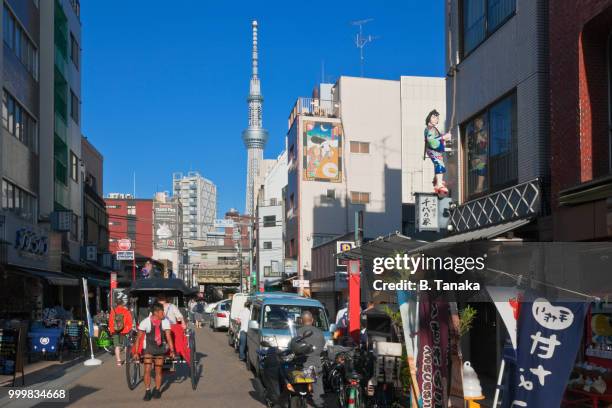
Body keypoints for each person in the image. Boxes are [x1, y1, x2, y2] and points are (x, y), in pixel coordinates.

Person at [133, 303, 175, 401]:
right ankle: (147, 391)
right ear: (156, 312)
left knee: (158, 370)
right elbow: (138, 339)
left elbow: (168, 337)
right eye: (162, 312)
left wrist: (172, 350)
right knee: (147, 370)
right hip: (149, 348)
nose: (163, 313)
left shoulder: (165, 322)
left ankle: (157, 389)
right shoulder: (145, 322)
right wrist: (135, 352)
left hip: (160, 348)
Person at [296, 311, 326, 408]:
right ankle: (318, 402)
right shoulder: (319, 332)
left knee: (300, 379)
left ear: (301, 321)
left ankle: (302, 398)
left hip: (304, 364)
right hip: (317, 363)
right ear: (312, 320)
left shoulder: (299, 332)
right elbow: (322, 345)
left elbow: (295, 347)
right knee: (317, 382)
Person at [424, 109, 452, 197]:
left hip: (434, 150)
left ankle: (438, 180)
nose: (436, 119)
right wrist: (443, 137)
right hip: (433, 150)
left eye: (437, 117)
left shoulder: (432, 128)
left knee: (440, 164)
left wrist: (442, 137)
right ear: (429, 118)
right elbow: (431, 141)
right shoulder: (430, 128)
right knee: (439, 165)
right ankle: (439, 184)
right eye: (433, 117)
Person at [109, 297, 133, 366]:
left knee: (117, 346)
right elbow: (130, 322)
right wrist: (128, 329)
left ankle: (118, 361)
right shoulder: (126, 311)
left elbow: (110, 322)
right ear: (122, 303)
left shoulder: (113, 311)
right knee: (126, 345)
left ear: (116, 304)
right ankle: (126, 360)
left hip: (115, 331)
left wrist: (111, 331)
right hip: (124, 331)